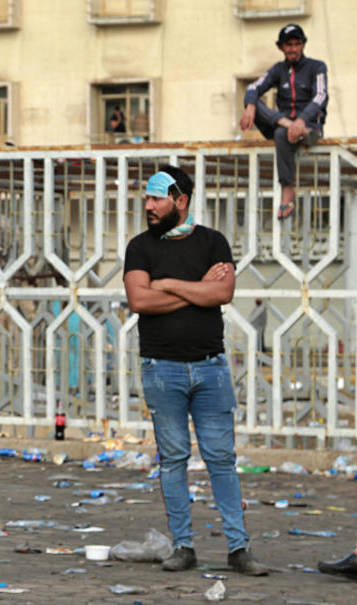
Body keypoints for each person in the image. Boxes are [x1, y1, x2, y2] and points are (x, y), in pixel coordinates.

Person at [123, 165, 267, 576]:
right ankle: (183, 546)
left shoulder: (212, 242)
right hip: (161, 369)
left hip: (211, 369)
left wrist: (166, 284)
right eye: (147, 199)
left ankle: (239, 548)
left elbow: (222, 291)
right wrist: (195, 290)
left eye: (157, 198)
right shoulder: (140, 247)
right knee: (173, 460)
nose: (149, 206)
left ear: (180, 200)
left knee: (222, 458)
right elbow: (140, 301)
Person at [240, 23, 328, 221]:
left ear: (303, 45)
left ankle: (287, 188)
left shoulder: (317, 67)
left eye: (297, 44)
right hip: (284, 124)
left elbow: (321, 96)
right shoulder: (278, 70)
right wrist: (250, 106)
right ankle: (289, 125)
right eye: (289, 45)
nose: (294, 49)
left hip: (309, 125)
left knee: (281, 134)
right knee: (254, 102)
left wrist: (301, 120)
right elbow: (253, 87)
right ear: (281, 47)